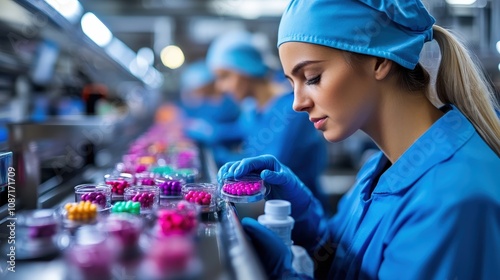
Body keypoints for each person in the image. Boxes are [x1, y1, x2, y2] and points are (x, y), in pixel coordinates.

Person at [218, 0, 500, 279]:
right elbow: (345, 260)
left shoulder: (451, 201)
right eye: (292, 84)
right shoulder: (380, 167)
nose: (297, 104)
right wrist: (304, 218)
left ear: (379, 59)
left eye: (312, 77)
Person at [206, 30, 330, 212]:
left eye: (225, 76)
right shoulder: (252, 107)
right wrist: (204, 132)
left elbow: (265, 170)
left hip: (302, 216)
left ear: (245, 69)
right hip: (267, 209)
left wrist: (222, 157)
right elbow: (232, 132)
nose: (221, 88)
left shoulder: (290, 110)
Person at [180, 60, 242, 146]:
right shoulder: (204, 104)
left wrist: (218, 132)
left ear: (208, 84)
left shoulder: (230, 102)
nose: (197, 93)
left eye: (199, 88)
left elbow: (241, 129)